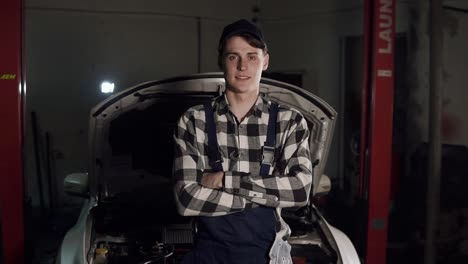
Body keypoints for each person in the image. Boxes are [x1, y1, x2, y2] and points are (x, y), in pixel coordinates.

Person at [173, 19, 313, 264]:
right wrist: (263, 198)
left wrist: (225, 180)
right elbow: (186, 200)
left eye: (251, 56)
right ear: (221, 61)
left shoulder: (289, 121)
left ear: (265, 61)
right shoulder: (194, 120)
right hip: (208, 256)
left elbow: (300, 190)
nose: (242, 66)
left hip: (267, 257)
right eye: (233, 57)